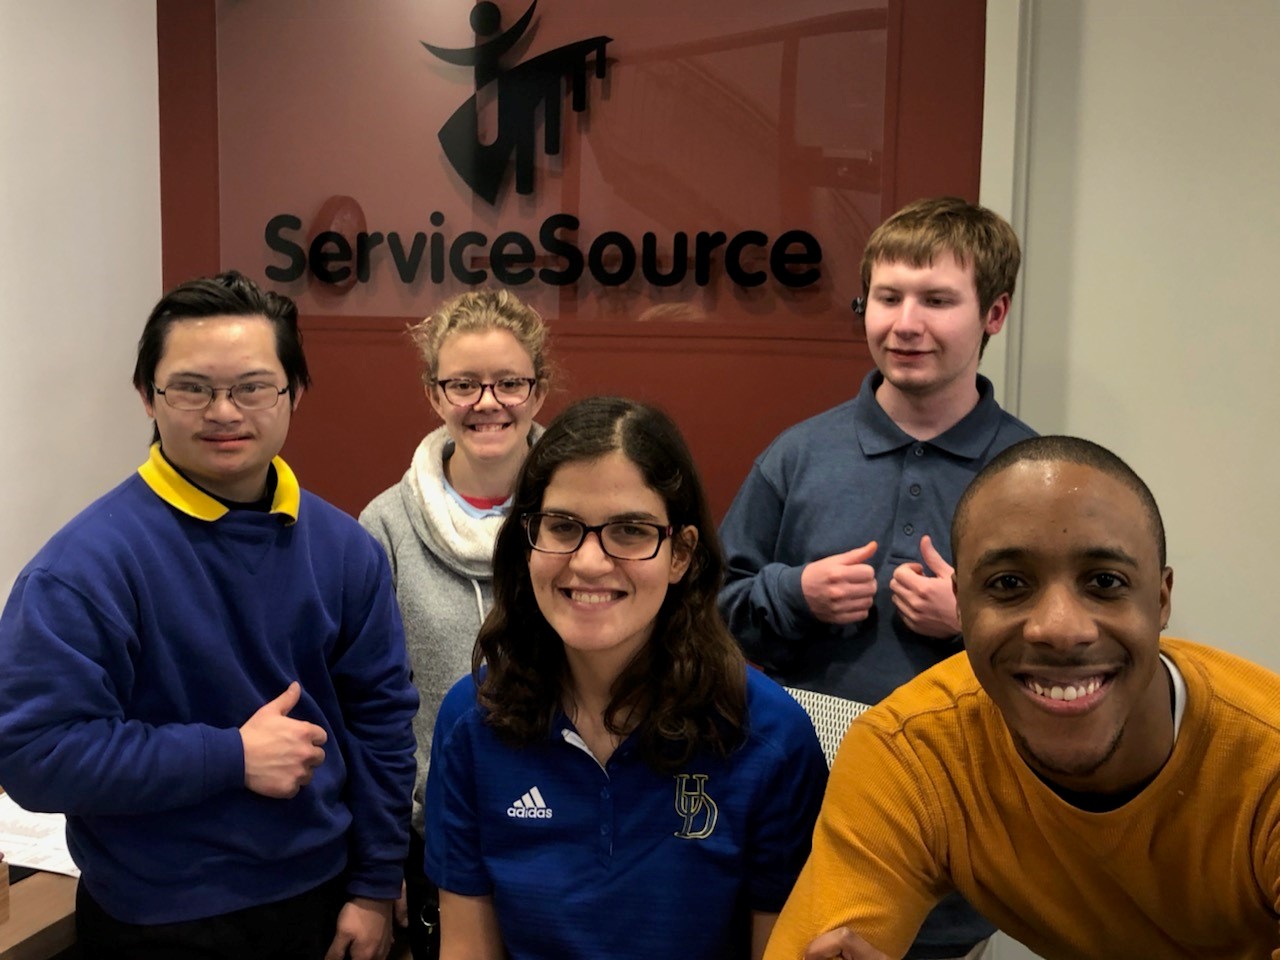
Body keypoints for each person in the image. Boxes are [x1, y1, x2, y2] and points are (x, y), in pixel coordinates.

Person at [0, 271, 418, 960]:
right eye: (192, 388)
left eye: (252, 387)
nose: (224, 411)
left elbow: (382, 727)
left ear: (294, 395)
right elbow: (33, 757)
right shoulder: (83, 568)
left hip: (323, 900)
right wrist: (230, 757)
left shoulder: (346, 550)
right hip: (155, 921)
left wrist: (374, 886)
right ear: (148, 397)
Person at [765, 435, 1280, 960]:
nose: (1059, 629)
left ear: (1162, 599)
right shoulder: (912, 753)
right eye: (1009, 583)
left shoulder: (1266, 763)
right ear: (961, 606)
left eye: (1105, 581)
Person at [719, 196, 1036, 960]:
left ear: (993, 313)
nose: (905, 323)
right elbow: (710, 611)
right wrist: (793, 595)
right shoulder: (798, 456)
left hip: (962, 830)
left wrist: (973, 620)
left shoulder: (1033, 476)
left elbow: (1074, 650)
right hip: (801, 821)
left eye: (936, 300)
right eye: (888, 297)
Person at [425, 396, 828, 960]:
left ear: (681, 554)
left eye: (631, 531)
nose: (589, 562)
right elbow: (467, 949)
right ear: (527, 538)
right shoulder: (473, 720)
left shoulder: (769, 737)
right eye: (561, 526)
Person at [359, 289, 550, 958]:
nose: (487, 402)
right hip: (427, 835)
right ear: (434, 394)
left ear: (539, 390)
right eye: (464, 384)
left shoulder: (580, 516)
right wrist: (379, 861)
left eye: (508, 383)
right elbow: (366, 707)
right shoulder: (383, 527)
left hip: (562, 824)